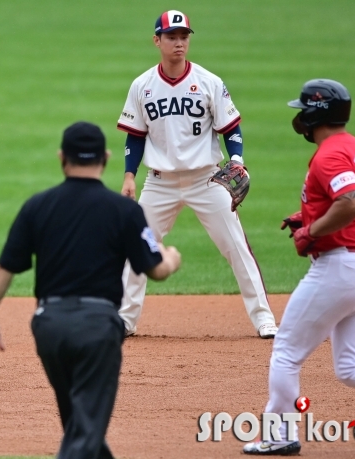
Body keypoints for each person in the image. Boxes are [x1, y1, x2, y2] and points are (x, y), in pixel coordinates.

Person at [0, 122, 182, 459]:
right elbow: (155, 269)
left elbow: (5, 267)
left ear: (62, 157)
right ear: (106, 158)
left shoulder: (37, 206)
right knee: (85, 432)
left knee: (80, 425)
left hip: (49, 327)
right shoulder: (125, 210)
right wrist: (172, 258)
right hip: (98, 329)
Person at [243, 79, 355, 455]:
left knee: (285, 351)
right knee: (351, 367)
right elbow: (350, 203)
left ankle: (278, 436)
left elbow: (350, 202)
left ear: (317, 113)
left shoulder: (330, 154)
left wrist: (312, 231)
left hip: (341, 270)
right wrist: (309, 215)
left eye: (303, 109)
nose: (299, 116)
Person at [116, 10, 278, 338]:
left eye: (184, 36)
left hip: (207, 180)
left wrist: (237, 159)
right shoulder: (142, 85)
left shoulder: (209, 82)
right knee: (138, 245)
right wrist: (129, 175)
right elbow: (136, 134)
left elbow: (231, 128)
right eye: (172, 37)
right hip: (159, 183)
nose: (179, 43)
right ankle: (124, 320)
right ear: (157, 41)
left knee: (236, 247)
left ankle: (264, 319)